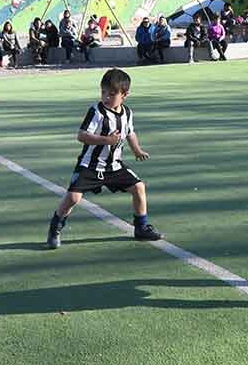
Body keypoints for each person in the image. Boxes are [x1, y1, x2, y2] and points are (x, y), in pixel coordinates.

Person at [46, 68, 164, 249]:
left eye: (112, 94)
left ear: (125, 94)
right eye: (103, 92)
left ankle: (141, 227)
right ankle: (55, 227)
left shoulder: (127, 113)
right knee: (73, 198)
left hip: (114, 166)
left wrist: (137, 150)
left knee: (139, 187)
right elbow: (82, 135)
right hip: (90, 165)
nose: (106, 97)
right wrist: (106, 140)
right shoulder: (96, 112)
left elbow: (130, 133)